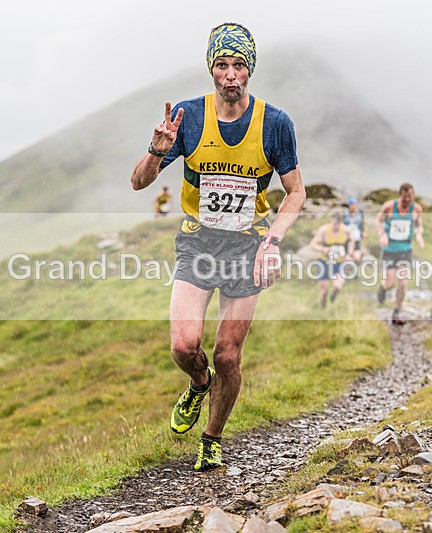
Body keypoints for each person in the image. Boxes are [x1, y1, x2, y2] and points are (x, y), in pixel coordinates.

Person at [129, 22, 306, 471]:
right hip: (198, 244)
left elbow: (296, 192)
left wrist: (273, 241)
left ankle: (212, 438)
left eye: (239, 65)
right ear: (211, 68)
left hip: (247, 247)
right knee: (183, 346)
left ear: (250, 71)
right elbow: (138, 182)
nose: (230, 74)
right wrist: (156, 149)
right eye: (222, 65)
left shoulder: (275, 124)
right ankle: (198, 382)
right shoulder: (188, 118)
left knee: (229, 353)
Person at [374, 182, 425, 325]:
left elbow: (419, 225)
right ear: (400, 195)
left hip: (405, 250)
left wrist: (419, 235)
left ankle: (396, 312)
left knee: (403, 282)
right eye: (405, 197)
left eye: (410, 196)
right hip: (390, 250)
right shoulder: (389, 207)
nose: (408, 200)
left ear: (413, 195)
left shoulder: (416, 209)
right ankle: (383, 290)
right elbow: (378, 220)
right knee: (390, 283)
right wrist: (382, 234)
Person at [310, 212, 355, 308]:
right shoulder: (324, 230)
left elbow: (352, 241)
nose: (335, 226)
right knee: (324, 290)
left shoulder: (346, 230)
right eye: (333, 224)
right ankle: (322, 310)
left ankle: (334, 296)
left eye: (337, 224)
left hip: (340, 262)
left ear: (341, 223)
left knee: (337, 286)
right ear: (331, 221)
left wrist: (349, 254)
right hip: (325, 262)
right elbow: (313, 244)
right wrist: (322, 249)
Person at [343, 197, 365, 264]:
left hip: (357, 237)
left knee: (357, 258)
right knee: (347, 258)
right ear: (349, 205)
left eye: (354, 204)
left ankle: (359, 255)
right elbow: (342, 225)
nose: (353, 206)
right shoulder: (345, 214)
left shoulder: (360, 213)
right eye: (351, 204)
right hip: (348, 238)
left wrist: (363, 231)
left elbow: (362, 224)